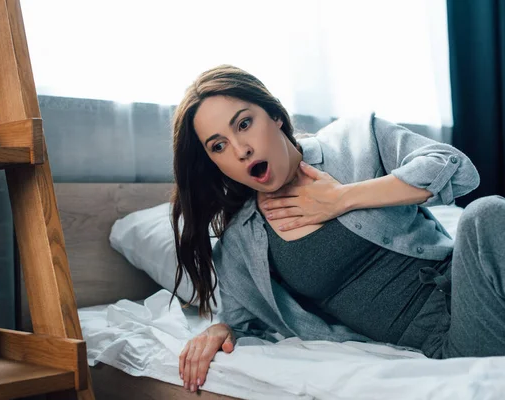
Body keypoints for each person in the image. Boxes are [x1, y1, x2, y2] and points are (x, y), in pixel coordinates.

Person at [170, 64, 505, 393]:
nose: (241, 150)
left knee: (485, 216)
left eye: (244, 124)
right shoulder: (240, 243)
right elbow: (241, 320)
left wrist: (341, 198)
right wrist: (219, 330)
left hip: (479, 284)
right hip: (449, 340)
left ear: (276, 116)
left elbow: (459, 171)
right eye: (218, 146)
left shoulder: (358, 139)